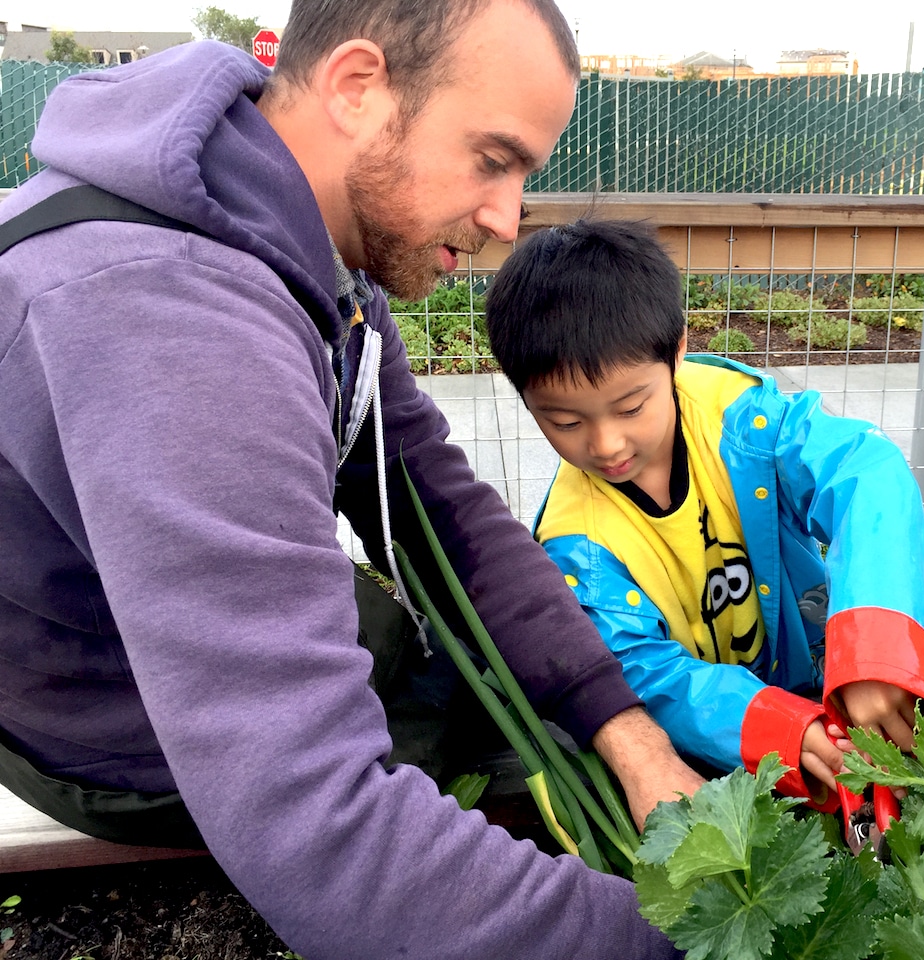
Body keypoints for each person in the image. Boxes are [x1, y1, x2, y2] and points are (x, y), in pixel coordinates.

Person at [0, 2, 704, 958]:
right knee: (492, 746)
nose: (507, 218)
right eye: (493, 160)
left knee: (545, 695)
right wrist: (689, 943)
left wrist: (625, 724)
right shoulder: (173, 322)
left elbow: (440, 509)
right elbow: (312, 822)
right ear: (358, 87)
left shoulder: (309, 251)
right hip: (102, 722)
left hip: (155, 647)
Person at [484, 219, 924, 808]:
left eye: (630, 407)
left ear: (675, 355)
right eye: (565, 422)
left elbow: (867, 473)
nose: (606, 445)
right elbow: (650, 673)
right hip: (722, 751)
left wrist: (877, 649)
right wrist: (781, 731)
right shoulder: (578, 547)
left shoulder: (745, 425)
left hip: (828, 678)